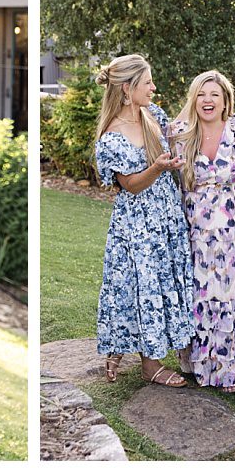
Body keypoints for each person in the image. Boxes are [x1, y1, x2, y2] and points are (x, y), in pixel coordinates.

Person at [93, 54, 195, 386]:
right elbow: (130, 185)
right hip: (138, 223)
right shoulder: (111, 135)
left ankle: (130, 350)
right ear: (127, 88)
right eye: (147, 82)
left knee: (160, 285)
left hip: (167, 216)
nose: (153, 87)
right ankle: (151, 366)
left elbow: (183, 128)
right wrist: (157, 168)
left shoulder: (153, 115)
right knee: (143, 287)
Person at [169, 71, 235, 392]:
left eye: (214, 94)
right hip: (195, 232)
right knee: (199, 294)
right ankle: (197, 362)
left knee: (229, 294)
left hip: (234, 231)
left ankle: (229, 368)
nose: (207, 100)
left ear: (225, 101)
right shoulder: (179, 133)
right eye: (201, 94)